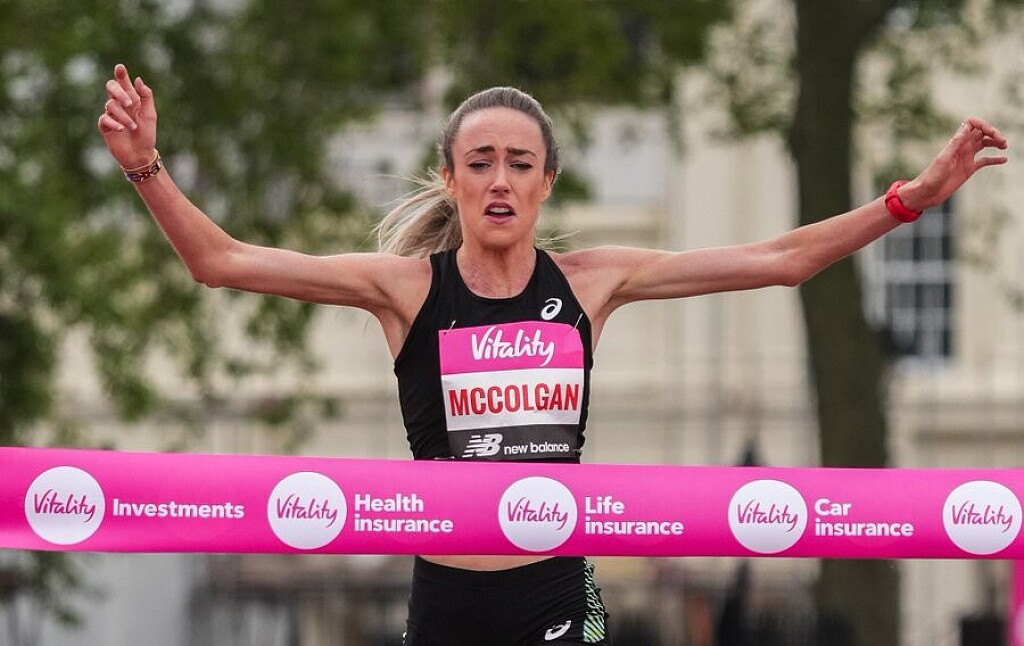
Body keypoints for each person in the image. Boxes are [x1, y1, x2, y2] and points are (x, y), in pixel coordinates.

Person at [98, 62, 1008, 645]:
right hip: (446, 597)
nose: (500, 180)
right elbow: (221, 262)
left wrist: (910, 199)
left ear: (547, 183)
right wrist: (145, 165)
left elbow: (778, 261)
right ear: (452, 179)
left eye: (520, 163)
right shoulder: (405, 288)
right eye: (481, 162)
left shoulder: (593, 282)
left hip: (557, 592)